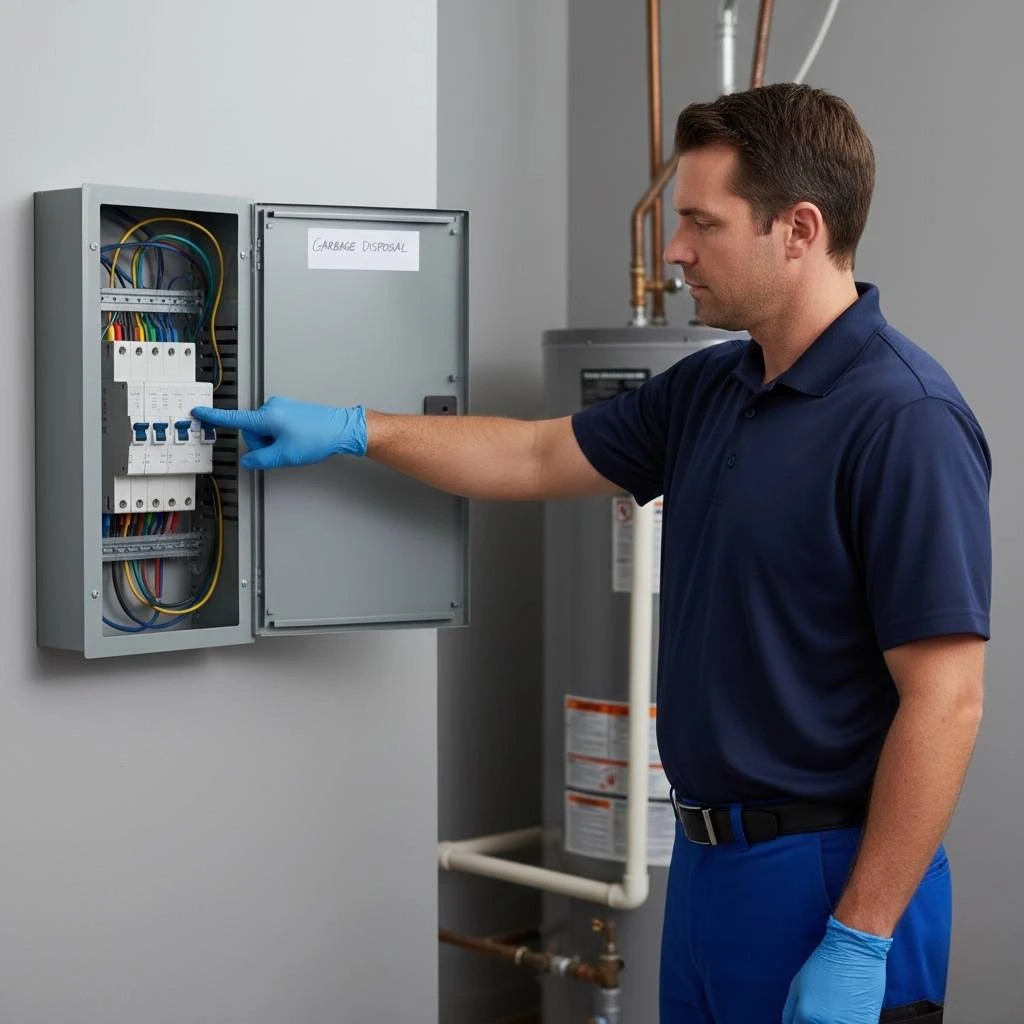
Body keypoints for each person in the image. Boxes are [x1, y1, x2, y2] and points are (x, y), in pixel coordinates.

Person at [195, 83, 990, 1024]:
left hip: (829, 879)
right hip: (706, 868)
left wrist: (862, 935)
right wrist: (354, 429)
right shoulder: (711, 388)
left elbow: (946, 700)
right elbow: (536, 455)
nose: (675, 248)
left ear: (800, 229)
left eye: (702, 222)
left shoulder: (906, 421)